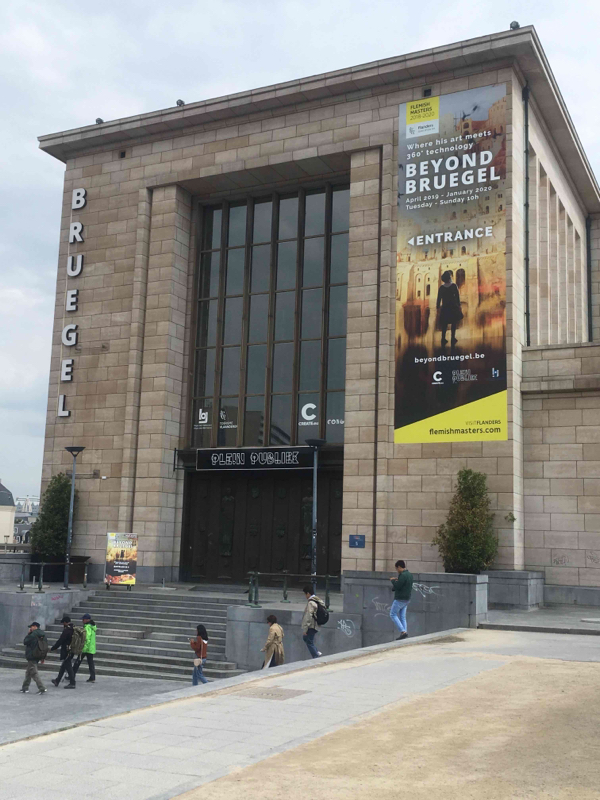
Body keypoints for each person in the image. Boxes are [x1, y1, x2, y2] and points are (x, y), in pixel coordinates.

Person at [436, 270, 463, 345]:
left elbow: (439, 299)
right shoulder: (454, 286)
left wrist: (438, 307)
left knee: (444, 323)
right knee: (454, 322)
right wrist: (459, 305)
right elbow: (457, 297)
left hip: (445, 307)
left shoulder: (441, 288)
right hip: (453, 306)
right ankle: (453, 338)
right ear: (449, 278)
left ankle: (443, 338)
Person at [389, 559, 414, 640]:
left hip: (400, 598)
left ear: (399, 567)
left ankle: (403, 632)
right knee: (403, 617)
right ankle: (405, 633)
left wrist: (393, 581)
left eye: (397, 568)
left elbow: (398, 586)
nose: (397, 570)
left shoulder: (402, 575)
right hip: (407, 598)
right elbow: (404, 584)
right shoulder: (409, 575)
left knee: (392, 614)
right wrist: (397, 580)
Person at [50, 615, 76, 689]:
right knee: (63, 666)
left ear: (65, 622)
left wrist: (53, 648)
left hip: (67, 651)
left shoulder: (67, 630)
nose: (63, 624)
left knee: (69, 667)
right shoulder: (73, 628)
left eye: (63, 623)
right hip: (71, 650)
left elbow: (61, 640)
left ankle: (72, 683)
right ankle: (57, 680)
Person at [21, 622, 47, 694]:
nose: (30, 628)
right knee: (28, 672)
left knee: (34, 673)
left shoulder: (33, 634)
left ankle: (42, 688)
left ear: (35, 626)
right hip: (38, 655)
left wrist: (29, 634)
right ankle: (25, 687)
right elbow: (45, 647)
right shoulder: (43, 635)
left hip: (31, 655)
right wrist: (43, 657)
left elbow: (25, 642)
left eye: (31, 627)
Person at [301, 585, 324, 659]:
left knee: (309, 641)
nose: (305, 596)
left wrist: (305, 629)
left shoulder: (311, 603)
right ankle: (316, 652)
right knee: (306, 638)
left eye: (305, 594)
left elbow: (308, 616)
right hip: (316, 624)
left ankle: (316, 656)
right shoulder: (318, 600)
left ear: (308, 593)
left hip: (312, 625)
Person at [73, 613, 96, 683]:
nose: (82, 621)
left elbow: (87, 639)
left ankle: (72, 675)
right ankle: (92, 677)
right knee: (90, 663)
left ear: (87, 620)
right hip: (91, 648)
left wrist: (83, 648)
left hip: (86, 648)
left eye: (83, 619)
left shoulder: (87, 627)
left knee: (77, 662)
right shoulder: (92, 627)